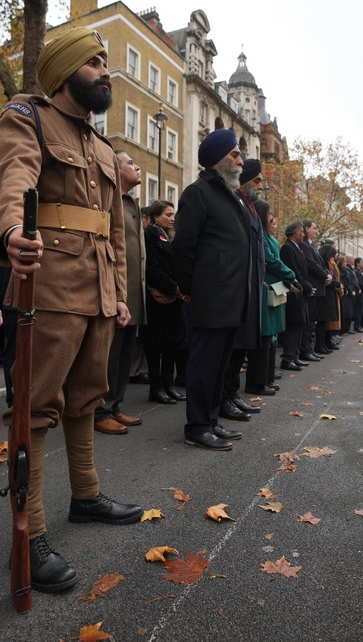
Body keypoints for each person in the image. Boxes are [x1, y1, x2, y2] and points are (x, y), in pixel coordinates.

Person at [0, 28, 143, 591]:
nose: (106, 72)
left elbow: (114, 232)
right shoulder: (28, 117)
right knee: (35, 405)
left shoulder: (102, 147)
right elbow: (11, 179)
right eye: (95, 62)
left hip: (98, 288)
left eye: (106, 63)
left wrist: (120, 293)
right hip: (48, 284)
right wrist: (8, 232)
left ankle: (86, 494)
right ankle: (30, 534)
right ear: (68, 72)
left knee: (86, 398)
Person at [172, 128, 251, 451]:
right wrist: (188, 287)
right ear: (219, 160)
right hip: (210, 295)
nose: (240, 160)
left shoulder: (229, 194)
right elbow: (183, 247)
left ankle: (211, 419)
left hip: (230, 296)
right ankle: (198, 425)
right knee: (205, 364)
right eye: (235, 154)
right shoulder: (198, 192)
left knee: (219, 364)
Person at [93, 152, 146, 434]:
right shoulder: (108, 197)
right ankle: (99, 410)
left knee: (125, 353)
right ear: (114, 168)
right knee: (110, 354)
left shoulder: (131, 203)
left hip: (131, 291)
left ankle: (114, 405)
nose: (137, 166)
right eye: (130, 163)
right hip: (114, 290)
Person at [221, 159, 267, 417]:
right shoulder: (236, 204)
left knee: (242, 348)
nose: (261, 185)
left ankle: (232, 394)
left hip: (251, 288)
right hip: (240, 287)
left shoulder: (251, 207)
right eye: (257, 180)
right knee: (233, 349)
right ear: (245, 180)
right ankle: (225, 397)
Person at [143, 199, 186, 407]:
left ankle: (169, 386)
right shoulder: (150, 235)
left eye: (173, 214)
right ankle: (156, 388)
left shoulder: (169, 236)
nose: (172, 218)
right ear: (156, 216)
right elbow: (151, 268)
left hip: (174, 298)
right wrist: (173, 287)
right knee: (156, 346)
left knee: (172, 344)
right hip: (158, 298)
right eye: (168, 214)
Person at [254, 201, 296, 391]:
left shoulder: (269, 237)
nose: (273, 219)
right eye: (270, 214)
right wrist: (290, 274)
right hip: (267, 288)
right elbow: (271, 261)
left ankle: (267, 377)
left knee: (272, 335)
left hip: (275, 286)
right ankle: (259, 381)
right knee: (266, 334)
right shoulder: (261, 236)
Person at [279, 222, 310, 371]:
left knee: (299, 325)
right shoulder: (287, 248)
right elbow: (294, 272)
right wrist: (306, 287)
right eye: (301, 231)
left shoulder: (297, 248)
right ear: (294, 232)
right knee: (293, 325)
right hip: (294, 293)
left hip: (301, 293)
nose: (303, 234)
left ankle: (295, 356)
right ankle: (288, 358)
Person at [299, 220, 330, 359]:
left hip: (319, 287)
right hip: (313, 287)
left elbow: (320, 264)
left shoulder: (312, 246)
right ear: (306, 229)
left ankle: (309, 349)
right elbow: (311, 264)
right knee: (308, 321)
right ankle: (305, 350)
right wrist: (325, 275)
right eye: (314, 228)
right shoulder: (305, 246)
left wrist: (328, 275)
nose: (316, 231)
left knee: (312, 322)